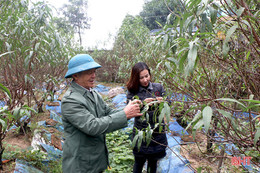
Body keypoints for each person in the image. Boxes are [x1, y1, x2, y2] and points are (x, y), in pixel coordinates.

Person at [61, 54, 142, 173]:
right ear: (75, 75)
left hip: (95, 161)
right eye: (89, 72)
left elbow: (108, 112)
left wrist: (137, 106)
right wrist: (125, 114)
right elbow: (93, 126)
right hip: (80, 165)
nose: (93, 76)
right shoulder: (71, 100)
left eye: (94, 72)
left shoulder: (93, 93)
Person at [126, 62, 169, 173]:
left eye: (147, 76)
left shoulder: (158, 87)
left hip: (157, 133)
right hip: (141, 133)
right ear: (136, 78)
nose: (145, 80)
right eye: (141, 78)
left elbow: (168, 101)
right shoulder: (132, 91)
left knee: (153, 163)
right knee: (138, 162)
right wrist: (143, 104)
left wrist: (163, 101)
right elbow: (129, 109)